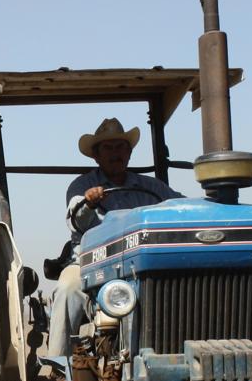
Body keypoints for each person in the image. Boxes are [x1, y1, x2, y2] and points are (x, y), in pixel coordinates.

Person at [48, 118, 184, 357]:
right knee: (68, 288)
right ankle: (59, 369)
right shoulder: (82, 186)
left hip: (142, 265)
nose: (115, 154)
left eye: (120, 147)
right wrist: (89, 204)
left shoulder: (152, 187)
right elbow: (76, 220)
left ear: (129, 153)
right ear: (96, 156)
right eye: (108, 148)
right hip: (92, 264)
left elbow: (180, 206)